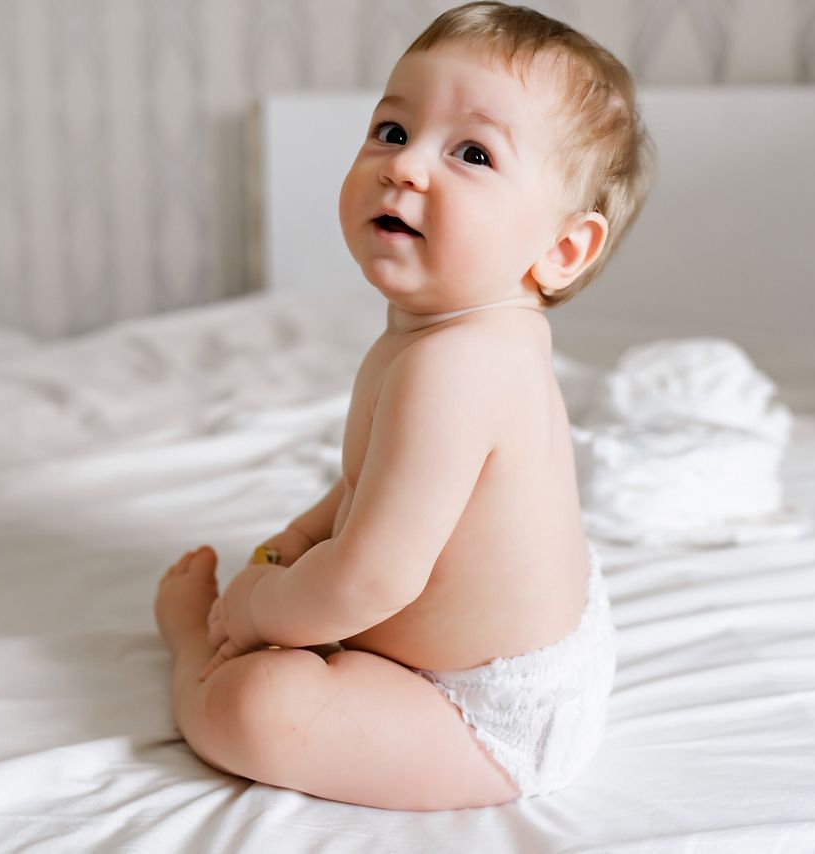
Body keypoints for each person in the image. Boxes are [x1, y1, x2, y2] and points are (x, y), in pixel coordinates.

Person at [154, 1, 654, 810]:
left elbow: (370, 578)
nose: (407, 166)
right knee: (307, 614)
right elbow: (378, 481)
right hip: (487, 646)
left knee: (260, 708)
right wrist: (298, 540)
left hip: (480, 712)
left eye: (472, 153)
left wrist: (254, 609)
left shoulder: (456, 367)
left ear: (561, 250)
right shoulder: (459, 331)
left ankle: (190, 660)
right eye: (392, 131)